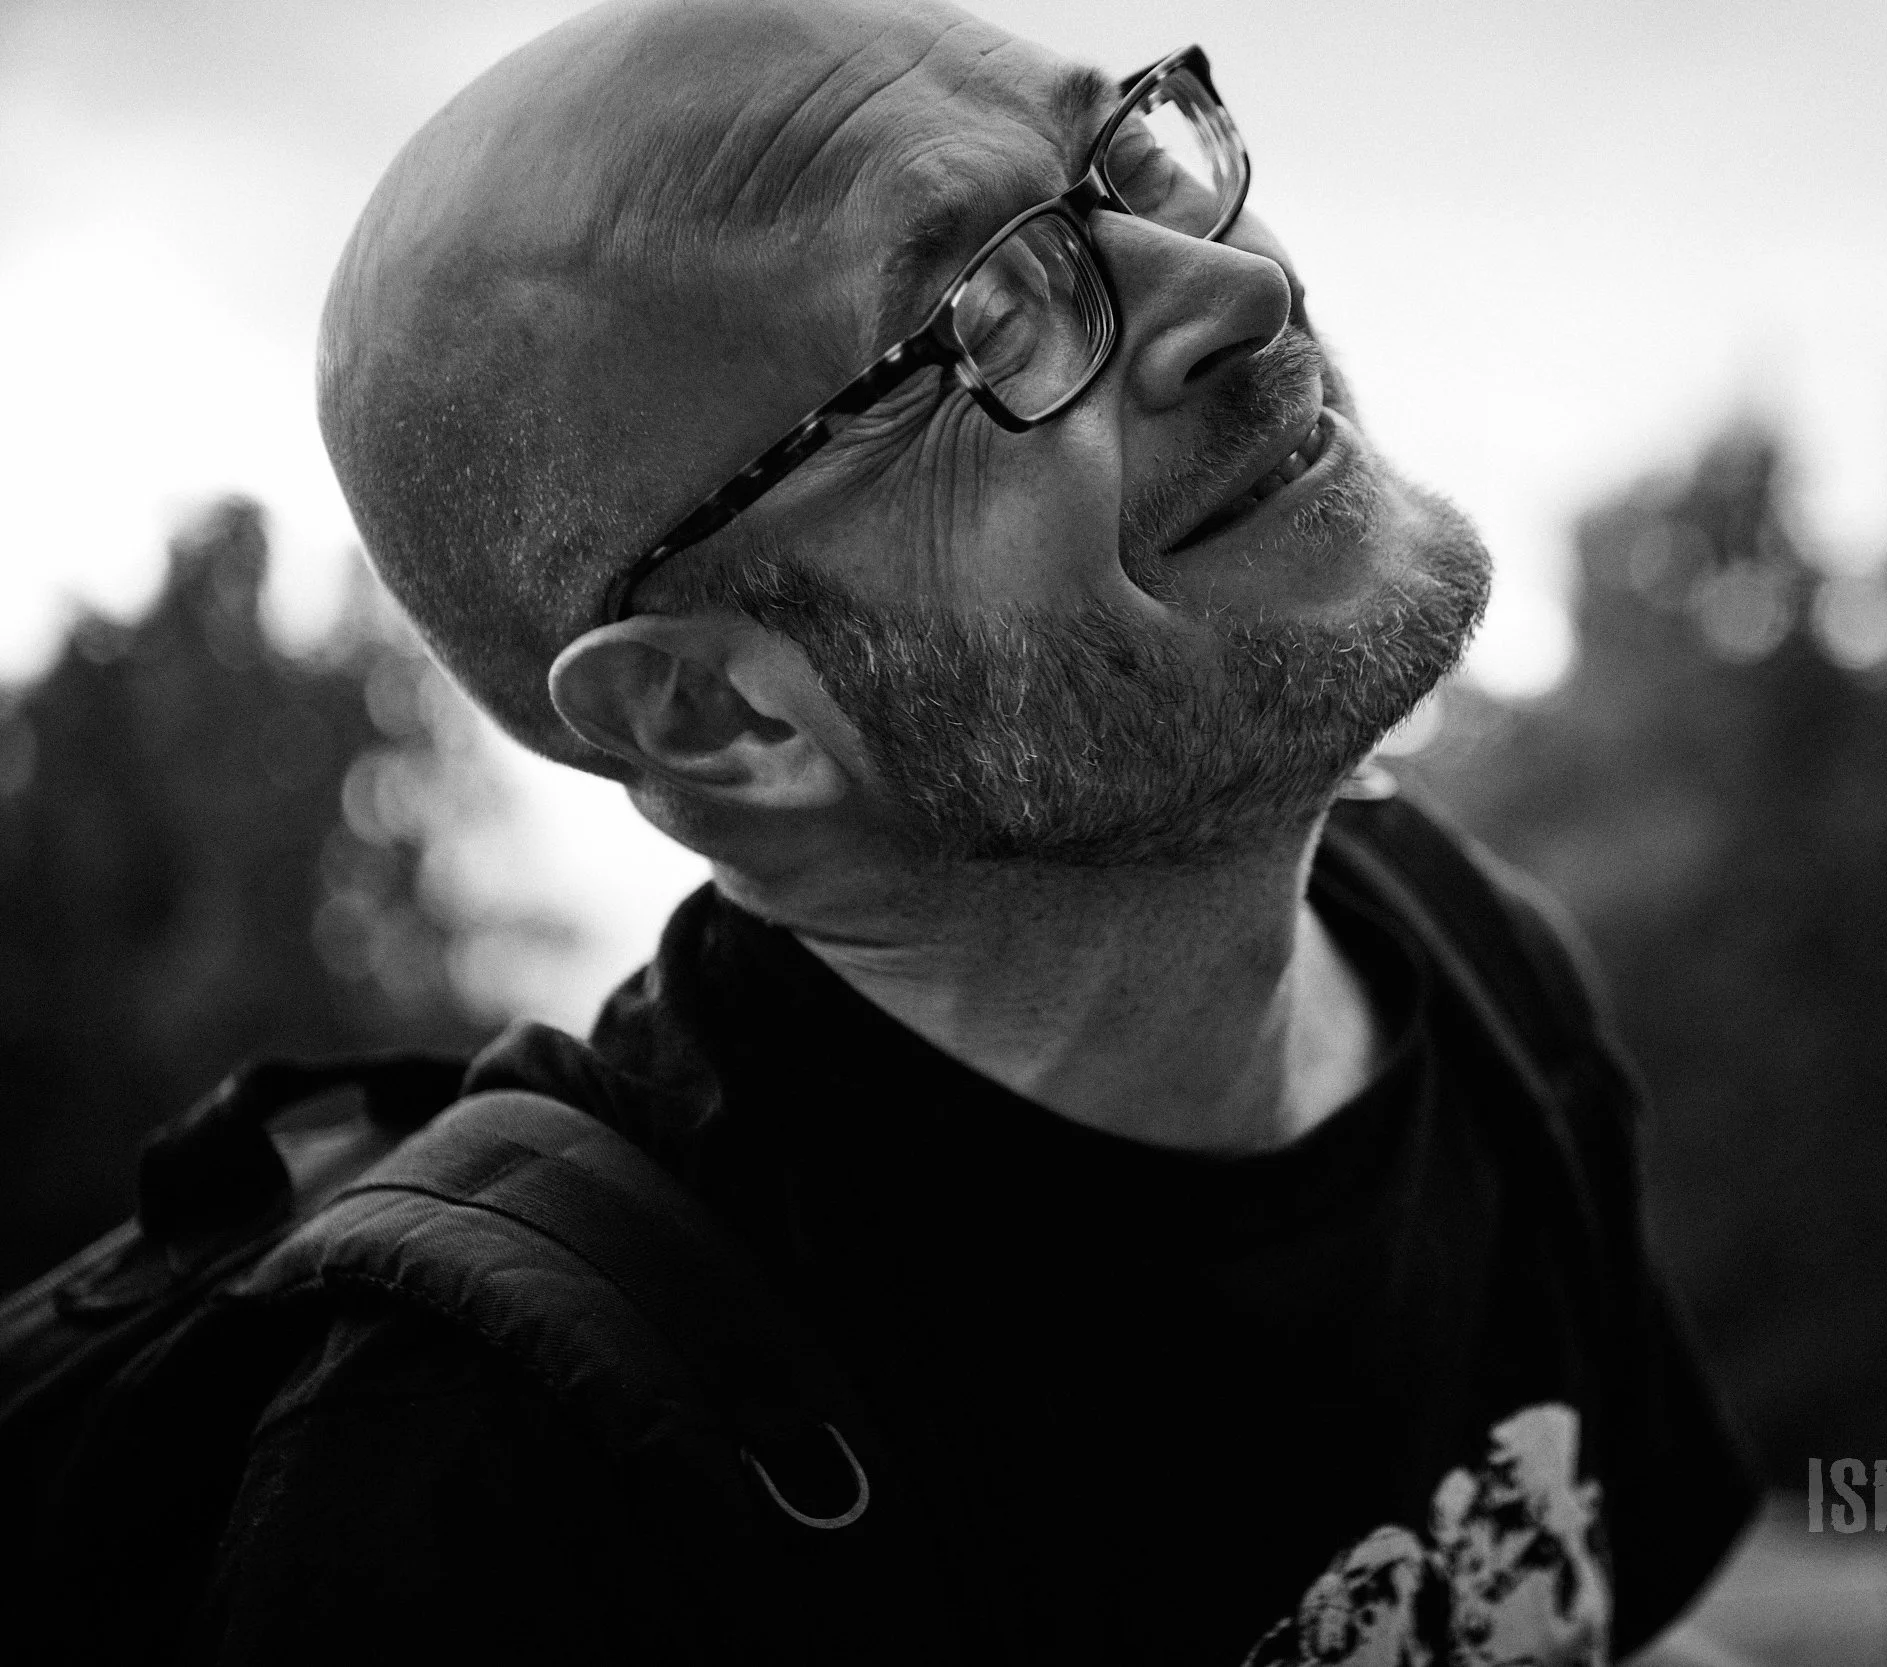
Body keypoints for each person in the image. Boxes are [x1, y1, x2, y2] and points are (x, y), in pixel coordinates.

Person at [190, 0, 1757, 1660]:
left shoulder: (1459, 951)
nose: (1236, 291)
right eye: (986, 320)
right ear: (721, 716)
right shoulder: (504, 1498)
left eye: (1131, 163)